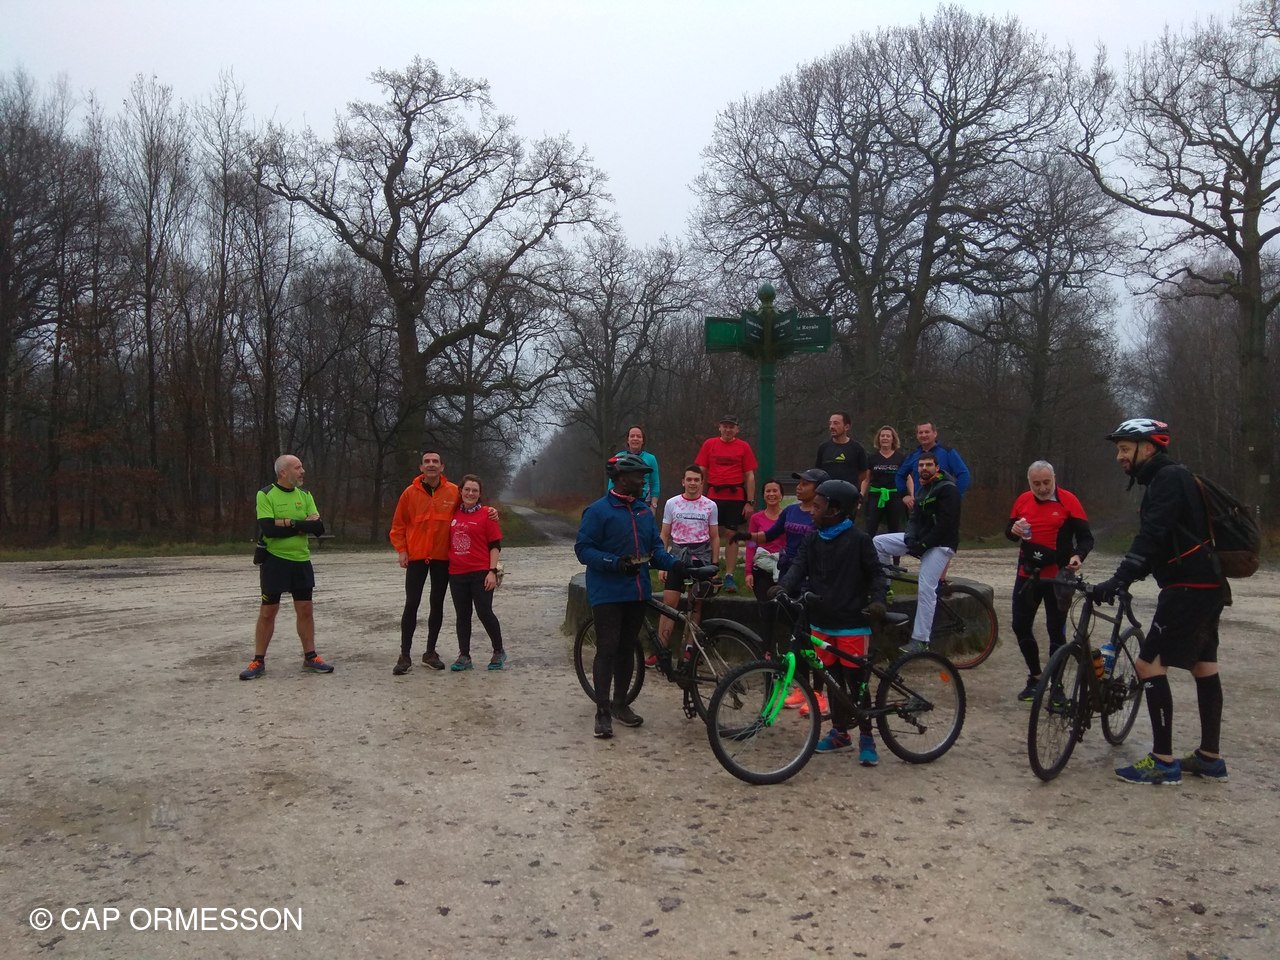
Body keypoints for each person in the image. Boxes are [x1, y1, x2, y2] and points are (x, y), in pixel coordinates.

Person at [1092, 418, 1228, 786]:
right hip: (1207, 584)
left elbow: (1151, 536)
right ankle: (1210, 758)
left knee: (1147, 664)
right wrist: (1130, 576)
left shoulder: (1166, 480)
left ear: (1148, 447)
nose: (1120, 456)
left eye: (1125, 449)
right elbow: (1164, 541)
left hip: (1188, 588)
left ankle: (1163, 760)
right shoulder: (1173, 477)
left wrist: (1120, 578)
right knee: (1204, 665)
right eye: (1119, 450)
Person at [772, 479, 888, 767]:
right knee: (831, 680)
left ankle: (867, 736)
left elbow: (876, 574)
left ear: (834, 510)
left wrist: (877, 601)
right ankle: (839, 732)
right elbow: (798, 567)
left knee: (856, 682)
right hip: (821, 621)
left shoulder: (859, 540)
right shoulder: (813, 538)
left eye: (818, 506)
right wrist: (783, 586)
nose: (812, 511)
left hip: (851, 623)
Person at [575, 453, 690, 739]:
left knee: (627, 648)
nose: (644, 482)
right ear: (622, 479)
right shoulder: (598, 511)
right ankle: (602, 712)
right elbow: (583, 550)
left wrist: (675, 565)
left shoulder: (643, 512)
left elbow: (655, 550)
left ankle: (620, 704)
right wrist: (614, 563)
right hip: (607, 592)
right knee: (608, 648)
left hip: (636, 590)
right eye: (639, 477)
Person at [735, 468, 829, 713]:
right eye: (798, 483)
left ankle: (819, 693)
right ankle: (802, 687)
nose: (799, 487)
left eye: (805, 484)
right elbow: (770, 534)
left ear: (818, 489)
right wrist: (747, 535)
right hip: (789, 578)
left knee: (812, 638)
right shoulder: (790, 511)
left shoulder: (822, 515)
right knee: (796, 636)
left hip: (811, 582)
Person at [239, 454, 335, 680]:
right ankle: (258, 661)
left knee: (305, 609)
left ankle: (310, 657)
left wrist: (288, 522)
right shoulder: (265, 494)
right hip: (275, 561)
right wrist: (302, 525)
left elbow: (319, 528)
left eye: (302, 467)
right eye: (298, 467)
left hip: (301, 560)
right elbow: (268, 529)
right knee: (268, 611)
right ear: (283, 472)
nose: (303, 471)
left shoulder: (305, 495)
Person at [1005, 460, 1095, 702]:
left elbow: (1086, 538)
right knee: (1020, 625)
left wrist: (1078, 556)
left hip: (1058, 577)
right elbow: (1009, 532)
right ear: (1029, 483)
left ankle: (1057, 686)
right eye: (1037, 484)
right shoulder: (1023, 500)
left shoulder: (1068, 500)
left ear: (1054, 479)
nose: (1042, 488)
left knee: (1055, 631)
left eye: (1047, 482)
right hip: (1028, 575)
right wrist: (1013, 531)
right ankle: (1036, 677)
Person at [874, 449, 961, 655]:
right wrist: (910, 538)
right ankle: (884, 588)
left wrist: (923, 545)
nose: (924, 468)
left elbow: (946, 525)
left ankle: (921, 640)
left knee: (925, 589)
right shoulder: (923, 489)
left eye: (928, 465)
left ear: (937, 468)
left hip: (941, 545)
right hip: (922, 540)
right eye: (921, 465)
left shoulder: (948, 489)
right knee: (878, 542)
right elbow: (914, 519)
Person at [388, 451, 458, 675]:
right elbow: (398, 526)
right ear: (420, 467)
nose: (431, 465)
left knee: (437, 604)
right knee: (412, 603)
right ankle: (405, 655)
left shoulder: (454, 492)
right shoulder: (409, 493)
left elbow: (470, 511)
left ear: (442, 467)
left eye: (435, 461)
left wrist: (490, 512)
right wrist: (402, 550)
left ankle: (430, 652)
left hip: (442, 557)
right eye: (427, 462)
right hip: (417, 557)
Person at [656, 464, 719, 654]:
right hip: (677, 556)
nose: (692, 483)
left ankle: (689, 648)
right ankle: (661, 648)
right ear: (683, 482)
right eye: (689, 479)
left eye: (696, 480)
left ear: (702, 483)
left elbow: (714, 536)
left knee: (696, 604)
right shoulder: (671, 503)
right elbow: (664, 534)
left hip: (700, 557)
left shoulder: (710, 505)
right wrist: (661, 564)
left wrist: (715, 565)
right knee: (669, 603)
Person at [447, 474, 506, 671]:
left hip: (481, 572)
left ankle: (498, 651)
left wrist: (492, 571)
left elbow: (495, 545)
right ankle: (464, 655)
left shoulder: (487, 514)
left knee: (484, 612)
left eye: (475, 490)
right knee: (462, 615)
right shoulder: (453, 513)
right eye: (467, 489)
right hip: (457, 573)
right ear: (460, 491)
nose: (470, 493)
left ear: (480, 494)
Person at [694, 415, 757, 593]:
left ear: (737, 429)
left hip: (735, 496)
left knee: (731, 534)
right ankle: (709, 570)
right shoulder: (709, 444)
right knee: (709, 533)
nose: (728, 430)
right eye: (725, 426)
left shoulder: (744, 446)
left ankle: (729, 575)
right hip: (713, 495)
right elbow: (701, 471)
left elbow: (749, 475)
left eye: (731, 427)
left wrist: (749, 501)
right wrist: (698, 497)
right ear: (719, 428)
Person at [744, 479, 786, 651]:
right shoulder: (756, 518)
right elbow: (750, 544)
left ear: (781, 495)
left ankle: (782, 649)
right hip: (761, 570)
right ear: (763, 495)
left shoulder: (787, 516)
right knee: (765, 611)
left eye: (775, 490)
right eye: (768, 491)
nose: (771, 494)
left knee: (783, 611)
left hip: (782, 569)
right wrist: (748, 571)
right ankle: (766, 651)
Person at [897, 420, 971, 510]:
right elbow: (900, 475)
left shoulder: (948, 452)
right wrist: (904, 495)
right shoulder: (913, 456)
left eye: (927, 432)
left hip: (943, 505)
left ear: (935, 433)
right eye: (920, 432)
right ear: (917, 435)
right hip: (921, 506)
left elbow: (964, 474)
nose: (924, 435)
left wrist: (955, 496)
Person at [864, 425, 907, 537]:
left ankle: (894, 549)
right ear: (878, 439)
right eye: (882, 436)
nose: (885, 438)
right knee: (870, 526)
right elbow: (866, 479)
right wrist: (860, 495)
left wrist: (910, 495)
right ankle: (868, 547)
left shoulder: (901, 458)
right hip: (876, 495)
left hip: (894, 495)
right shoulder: (872, 458)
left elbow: (908, 478)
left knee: (894, 527)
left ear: (893, 439)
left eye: (888, 436)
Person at [609, 424, 660, 511]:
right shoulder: (618, 457)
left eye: (639, 436)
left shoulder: (651, 459)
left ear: (643, 440)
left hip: (643, 502)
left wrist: (653, 506)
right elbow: (611, 483)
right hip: (621, 501)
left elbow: (655, 483)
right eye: (632, 436)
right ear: (627, 440)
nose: (635, 438)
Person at [815, 411, 869, 490]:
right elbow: (818, 471)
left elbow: (863, 474)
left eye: (836, 423)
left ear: (846, 427)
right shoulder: (823, 448)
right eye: (830, 423)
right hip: (827, 493)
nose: (831, 427)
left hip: (849, 493)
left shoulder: (857, 448)